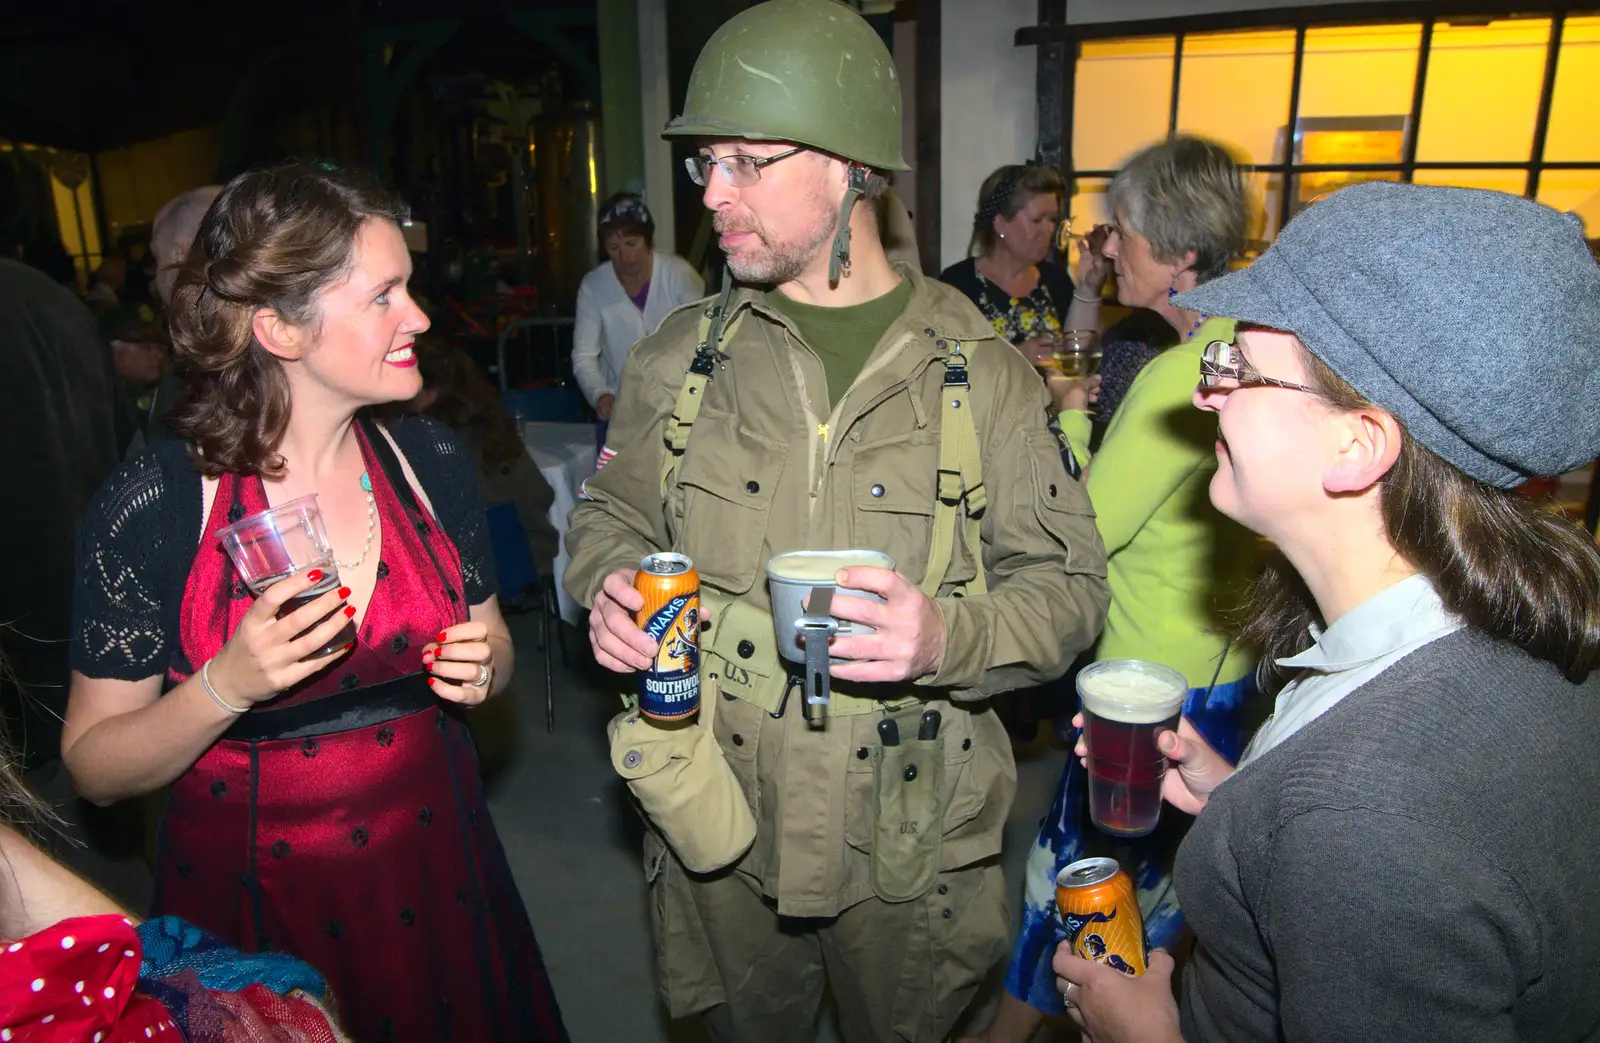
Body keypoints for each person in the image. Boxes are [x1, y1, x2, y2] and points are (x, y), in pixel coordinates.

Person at [564, 3, 1110, 1042]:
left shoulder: (980, 372)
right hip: (716, 812)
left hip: (905, 840)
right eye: (705, 164)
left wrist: (948, 636)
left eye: (745, 161)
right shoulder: (680, 357)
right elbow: (612, 512)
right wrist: (607, 583)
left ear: (853, 168)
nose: (714, 192)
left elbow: (1072, 589)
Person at [1051, 182, 1600, 1041]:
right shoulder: (1488, 642)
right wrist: (1251, 806)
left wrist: (1145, 1035)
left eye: (1240, 370)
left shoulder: (1369, 818)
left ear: (1356, 446)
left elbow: (1386, 838)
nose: (1207, 395)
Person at [62, 163, 569, 1042]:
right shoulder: (157, 504)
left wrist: (486, 665)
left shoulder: (432, 462)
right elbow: (94, 769)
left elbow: (494, 644)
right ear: (279, 329)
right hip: (260, 915)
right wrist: (224, 685)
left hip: (441, 877)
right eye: (384, 297)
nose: (417, 317)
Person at [962, 134, 1259, 1043]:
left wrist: (1069, 421)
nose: (1104, 241)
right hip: (1228, 673)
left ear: (1180, 257)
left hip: (1147, 686)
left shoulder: (1178, 378)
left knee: (1067, 891)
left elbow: (1085, 530)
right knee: (1163, 892)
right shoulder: (1235, 346)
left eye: (1122, 230)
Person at [413, 340, 561, 581]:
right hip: (528, 560)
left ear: (430, 391)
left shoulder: (424, 444)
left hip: (466, 573)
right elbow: (542, 493)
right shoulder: (495, 430)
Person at [939, 162, 1108, 365]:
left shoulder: (1055, 280)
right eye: (1037, 220)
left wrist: (1089, 288)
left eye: (1052, 219)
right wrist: (1017, 357)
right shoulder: (958, 285)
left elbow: (1080, 357)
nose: (1049, 230)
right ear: (1000, 224)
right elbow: (943, 368)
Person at [571, 192, 704, 423]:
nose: (625, 257)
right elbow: (584, 357)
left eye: (632, 244)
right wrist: (600, 394)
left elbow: (700, 341)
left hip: (679, 406)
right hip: (622, 410)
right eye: (614, 247)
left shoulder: (679, 276)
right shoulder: (593, 287)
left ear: (648, 240)